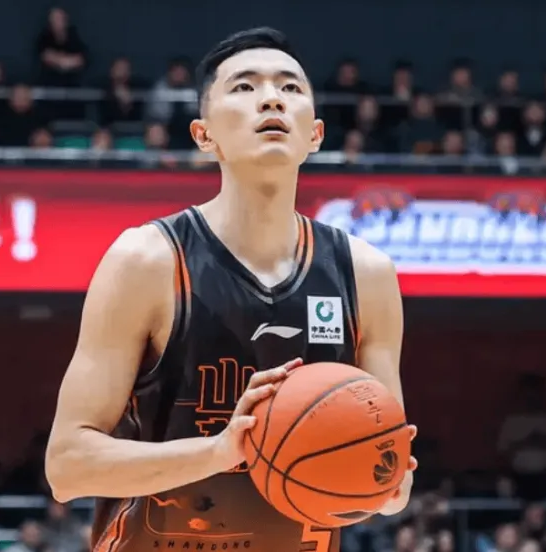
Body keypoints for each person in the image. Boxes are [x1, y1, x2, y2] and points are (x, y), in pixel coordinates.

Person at [46, 27, 417, 552]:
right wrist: (222, 451)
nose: (271, 98)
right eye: (244, 86)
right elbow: (67, 467)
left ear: (315, 134)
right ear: (204, 135)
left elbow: (391, 493)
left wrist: (383, 474)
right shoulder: (147, 261)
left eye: (290, 87)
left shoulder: (366, 274)